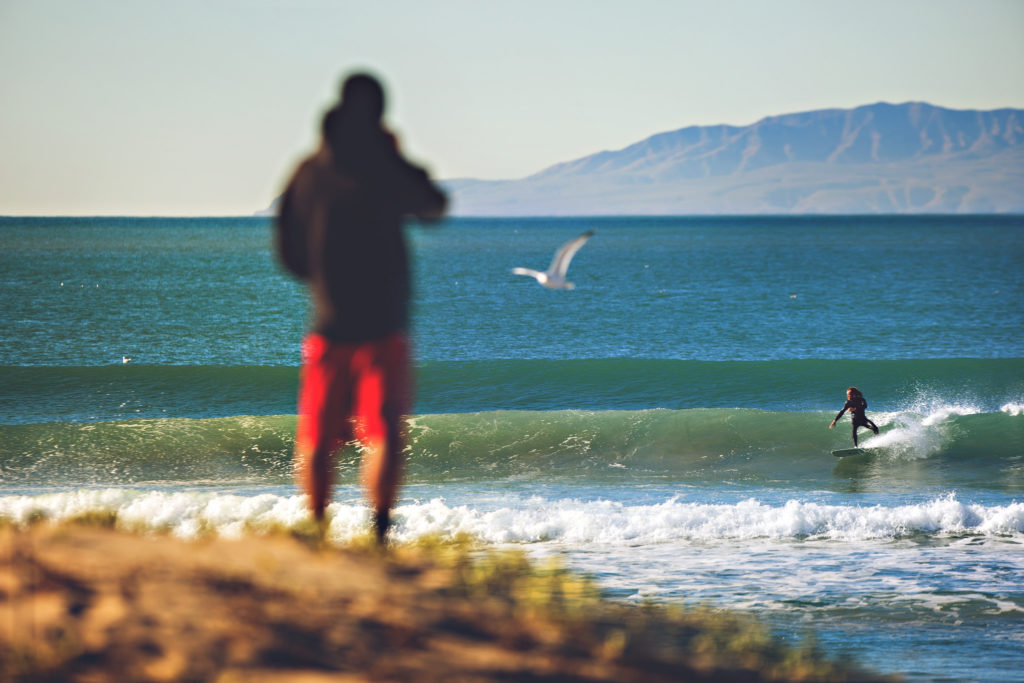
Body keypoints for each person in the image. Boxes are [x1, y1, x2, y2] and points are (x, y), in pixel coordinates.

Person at [275, 72, 447, 544]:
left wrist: (323, 281)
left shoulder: (310, 170)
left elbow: (287, 247)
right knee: (384, 430)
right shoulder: (383, 165)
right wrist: (397, 155)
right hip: (383, 323)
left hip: (329, 322)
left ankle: (315, 526)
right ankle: (379, 530)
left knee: (316, 432)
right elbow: (433, 205)